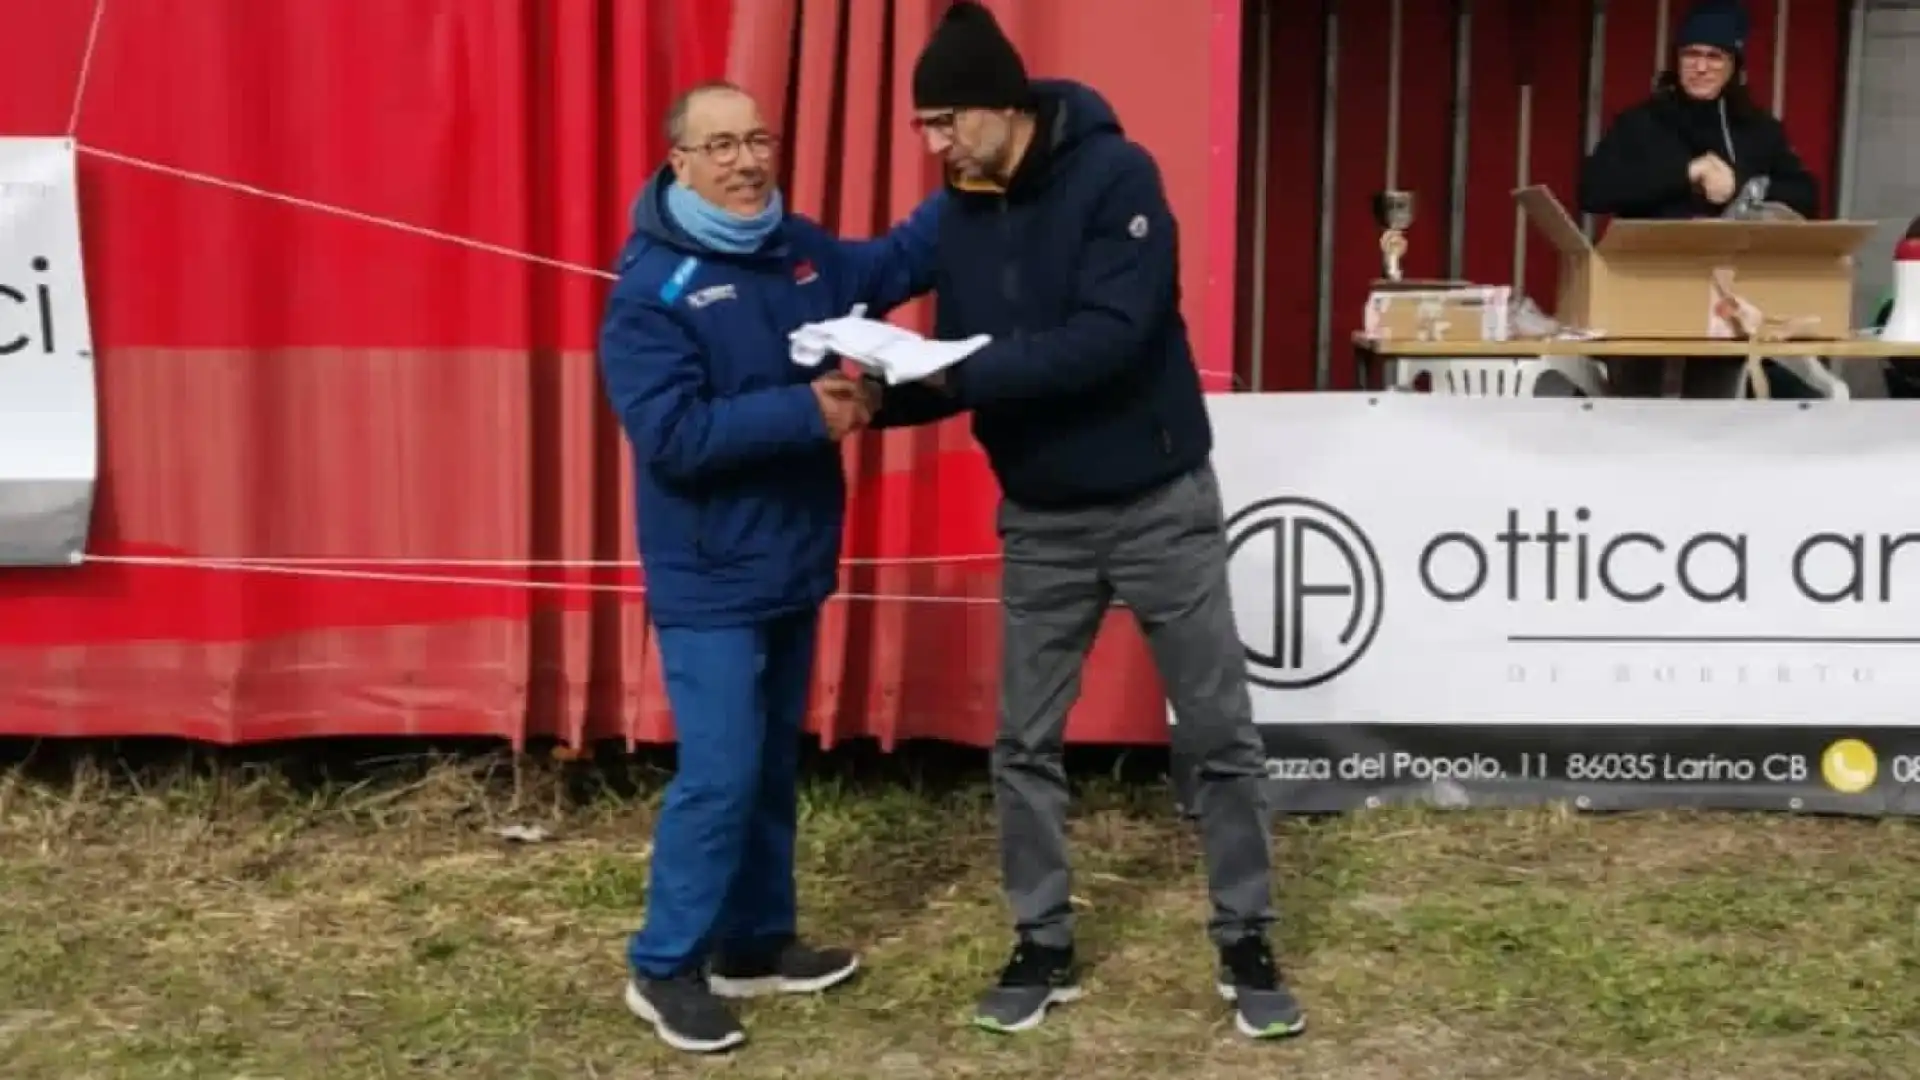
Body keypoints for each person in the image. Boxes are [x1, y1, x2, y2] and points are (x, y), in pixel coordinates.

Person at [863, 0, 1305, 1042]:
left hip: (1160, 504)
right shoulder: (959, 206)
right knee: (1023, 740)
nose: (930, 147)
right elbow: (927, 330)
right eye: (923, 129)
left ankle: (1247, 939)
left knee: (1219, 734)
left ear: (998, 107)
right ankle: (1042, 942)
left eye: (941, 124)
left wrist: (953, 369)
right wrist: (874, 393)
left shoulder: (1119, 178)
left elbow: (1108, 339)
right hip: (1044, 519)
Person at [597, 80, 941, 1055]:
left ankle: (752, 941)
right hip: (708, 577)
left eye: (759, 140)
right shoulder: (650, 290)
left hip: (792, 558)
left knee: (768, 764)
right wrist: (806, 414)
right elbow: (670, 437)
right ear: (681, 164)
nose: (748, 163)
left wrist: (969, 175)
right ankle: (664, 966)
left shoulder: (800, 251)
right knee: (718, 771)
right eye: (722, 147)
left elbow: (894, 261)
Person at [1579, 0, 1824, 398]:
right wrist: (1685, 174)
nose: (1702, 66)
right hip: (1647, 289)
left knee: (1712, 405)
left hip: (1726, 298)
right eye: (1691, 54)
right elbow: (1593, 190)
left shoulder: (1757, 130)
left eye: (1715, 55)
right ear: (1676, 60)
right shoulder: (1641, 122)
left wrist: (1740, 186)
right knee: (1635, 405)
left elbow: (1806, 197)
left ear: (1734, 65)